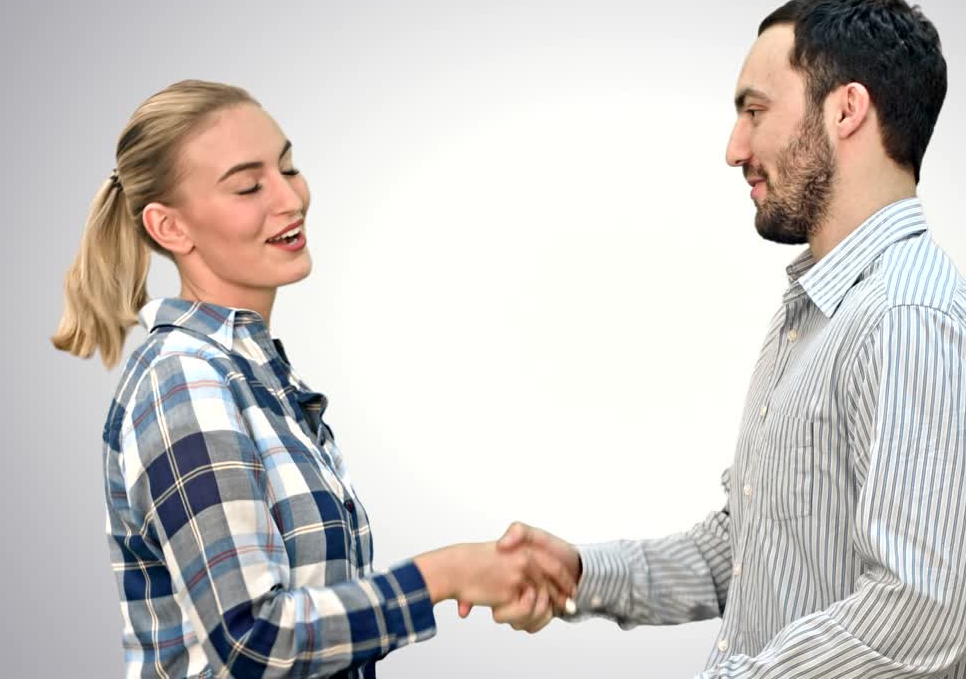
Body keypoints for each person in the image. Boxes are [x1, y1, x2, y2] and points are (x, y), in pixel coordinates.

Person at [490, 0, 966, 678]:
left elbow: (913, 619)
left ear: (845, 110)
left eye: (755, 111)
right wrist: (584, 572)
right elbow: (748, 550)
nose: (735, 148)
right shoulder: (816, 315)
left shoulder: (911, 320)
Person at [52, 80, 575, 678]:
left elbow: (307, 614)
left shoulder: (252, 377)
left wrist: (483, 576)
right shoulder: (185, 381)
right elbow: (253, 638)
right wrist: (444, 575)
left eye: (288, 167)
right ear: (170, 228)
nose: (290, 198)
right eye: (249, 186)